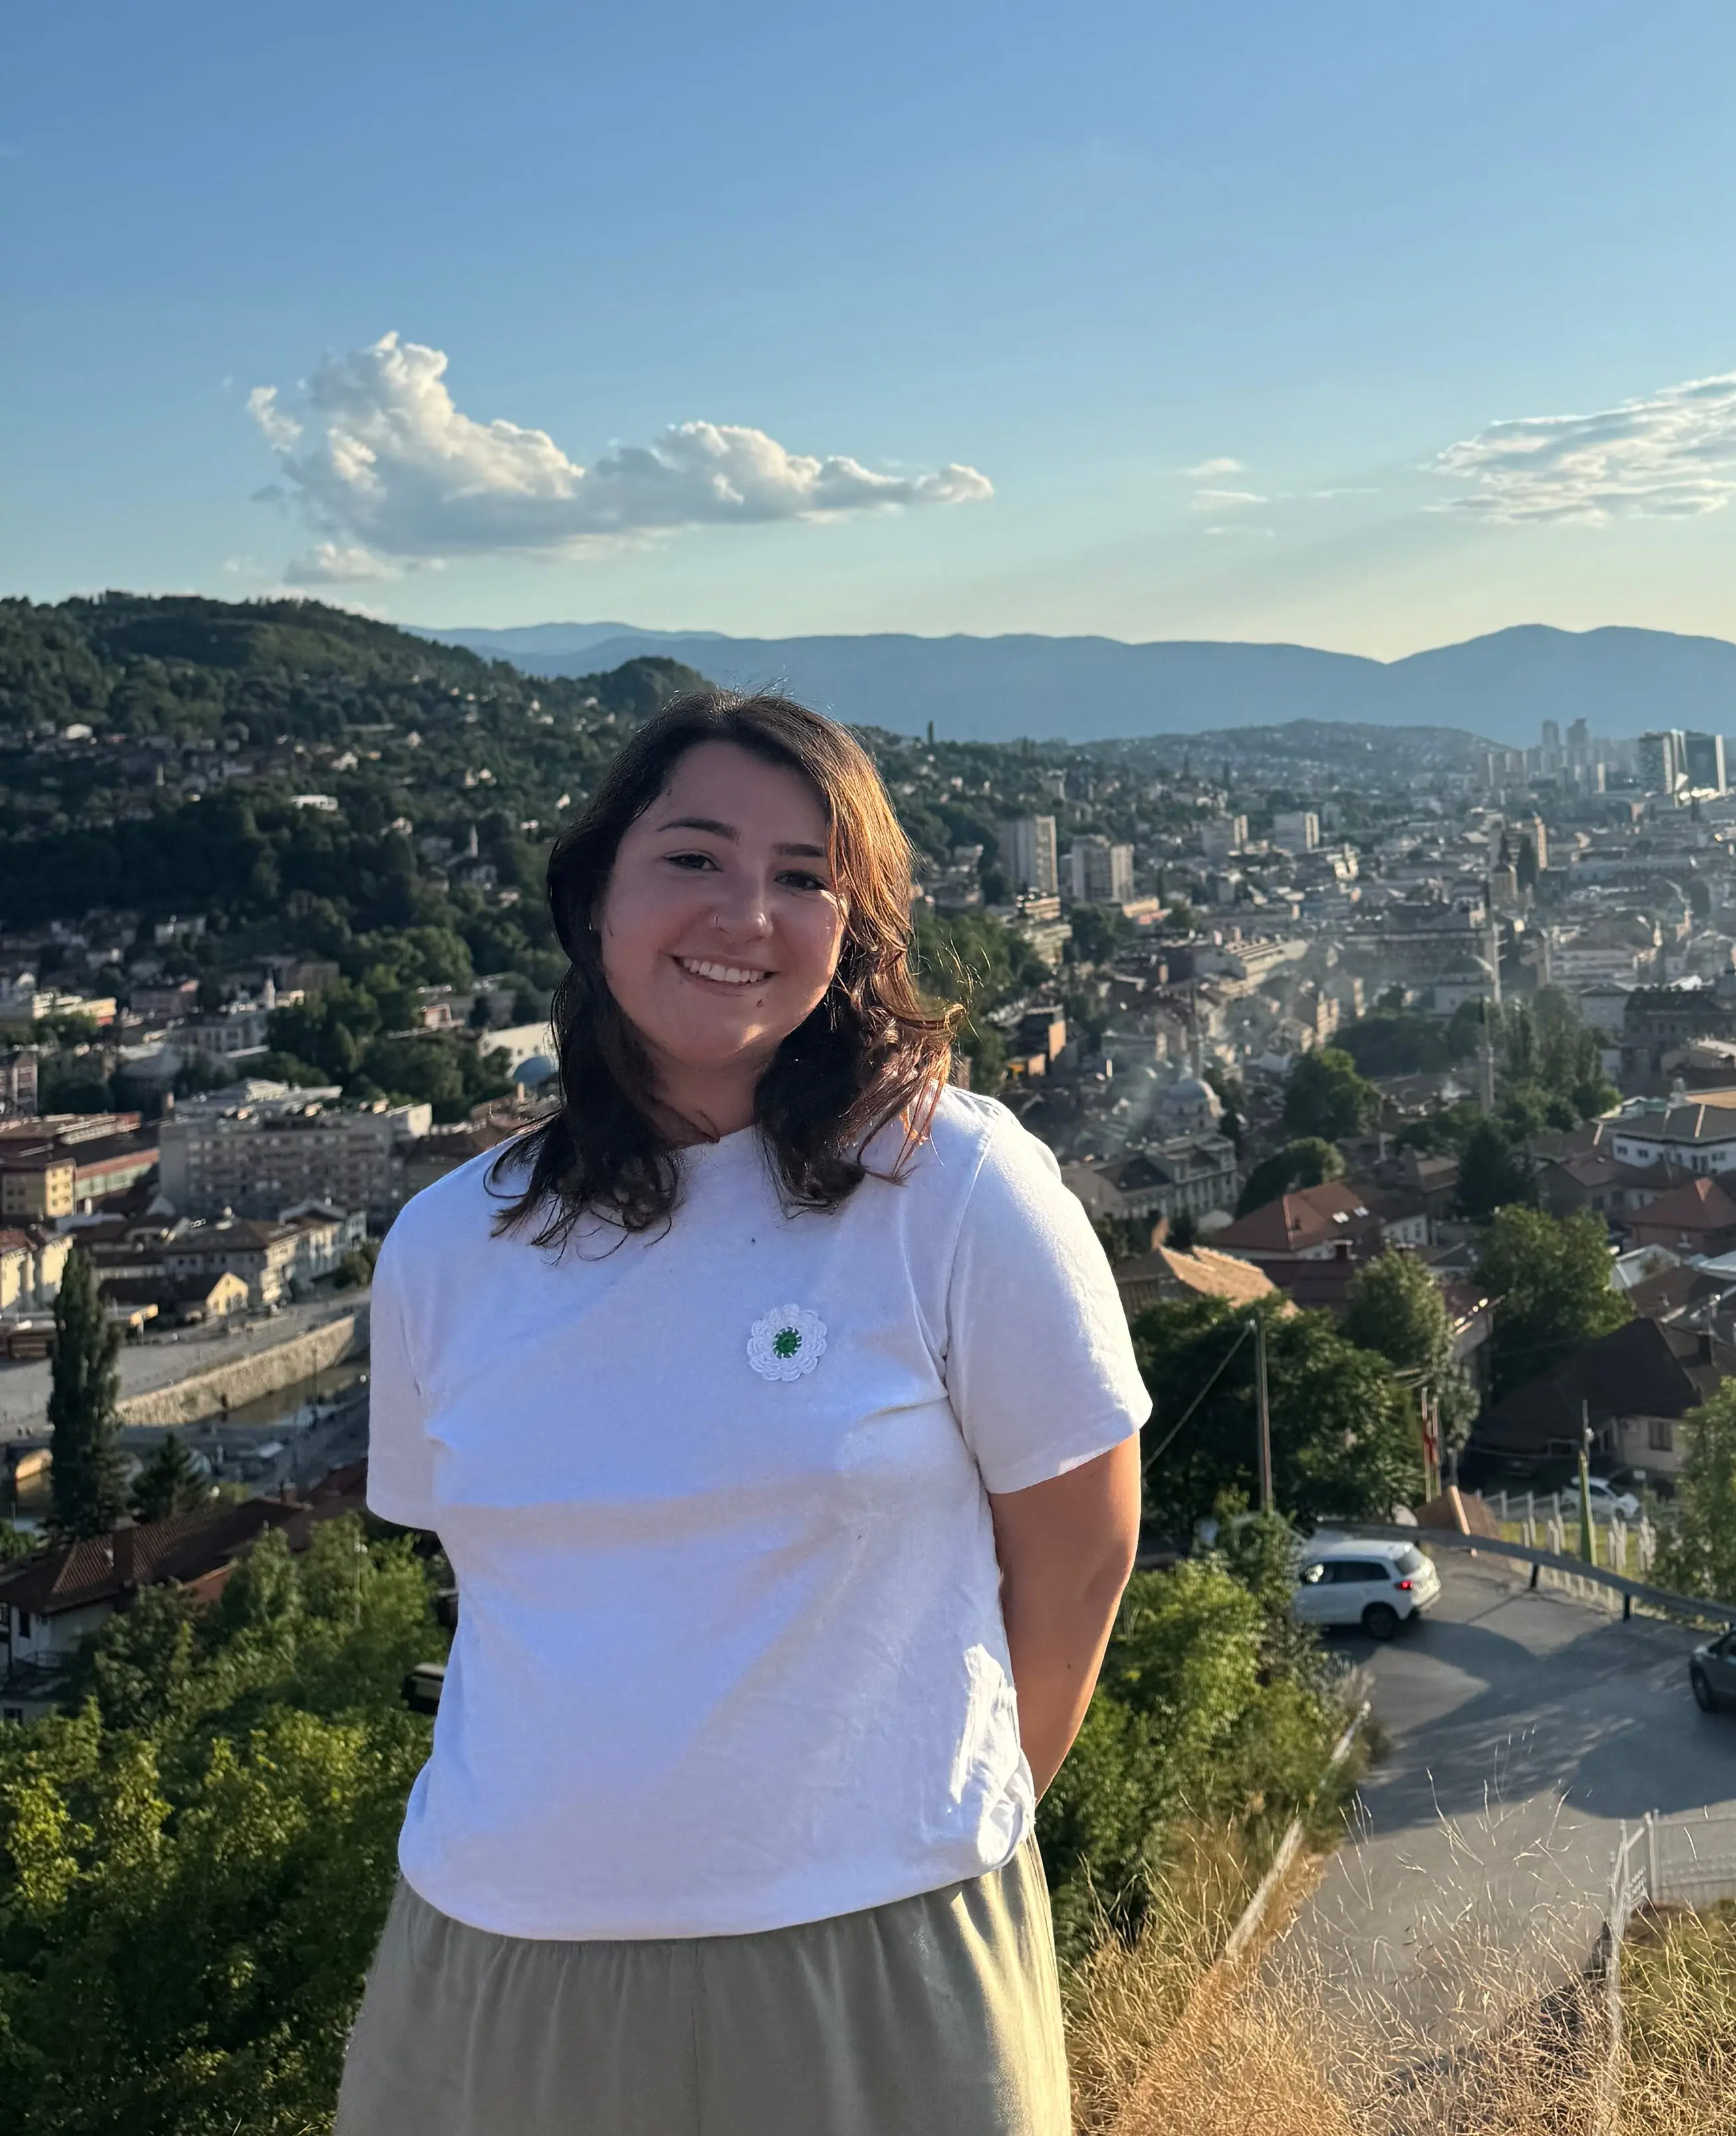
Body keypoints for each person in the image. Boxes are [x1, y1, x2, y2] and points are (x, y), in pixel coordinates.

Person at [336, 691, 1148, 2136]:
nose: (746, 913)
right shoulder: (449, 1246)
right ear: (597, 898)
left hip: (881, 1952)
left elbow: (1082, 1553)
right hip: (499, 1949)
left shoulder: (953, 1188)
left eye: (802, 877)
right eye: (695, 858)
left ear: (854, 930)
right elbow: (497, 1595)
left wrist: (928, 1817)